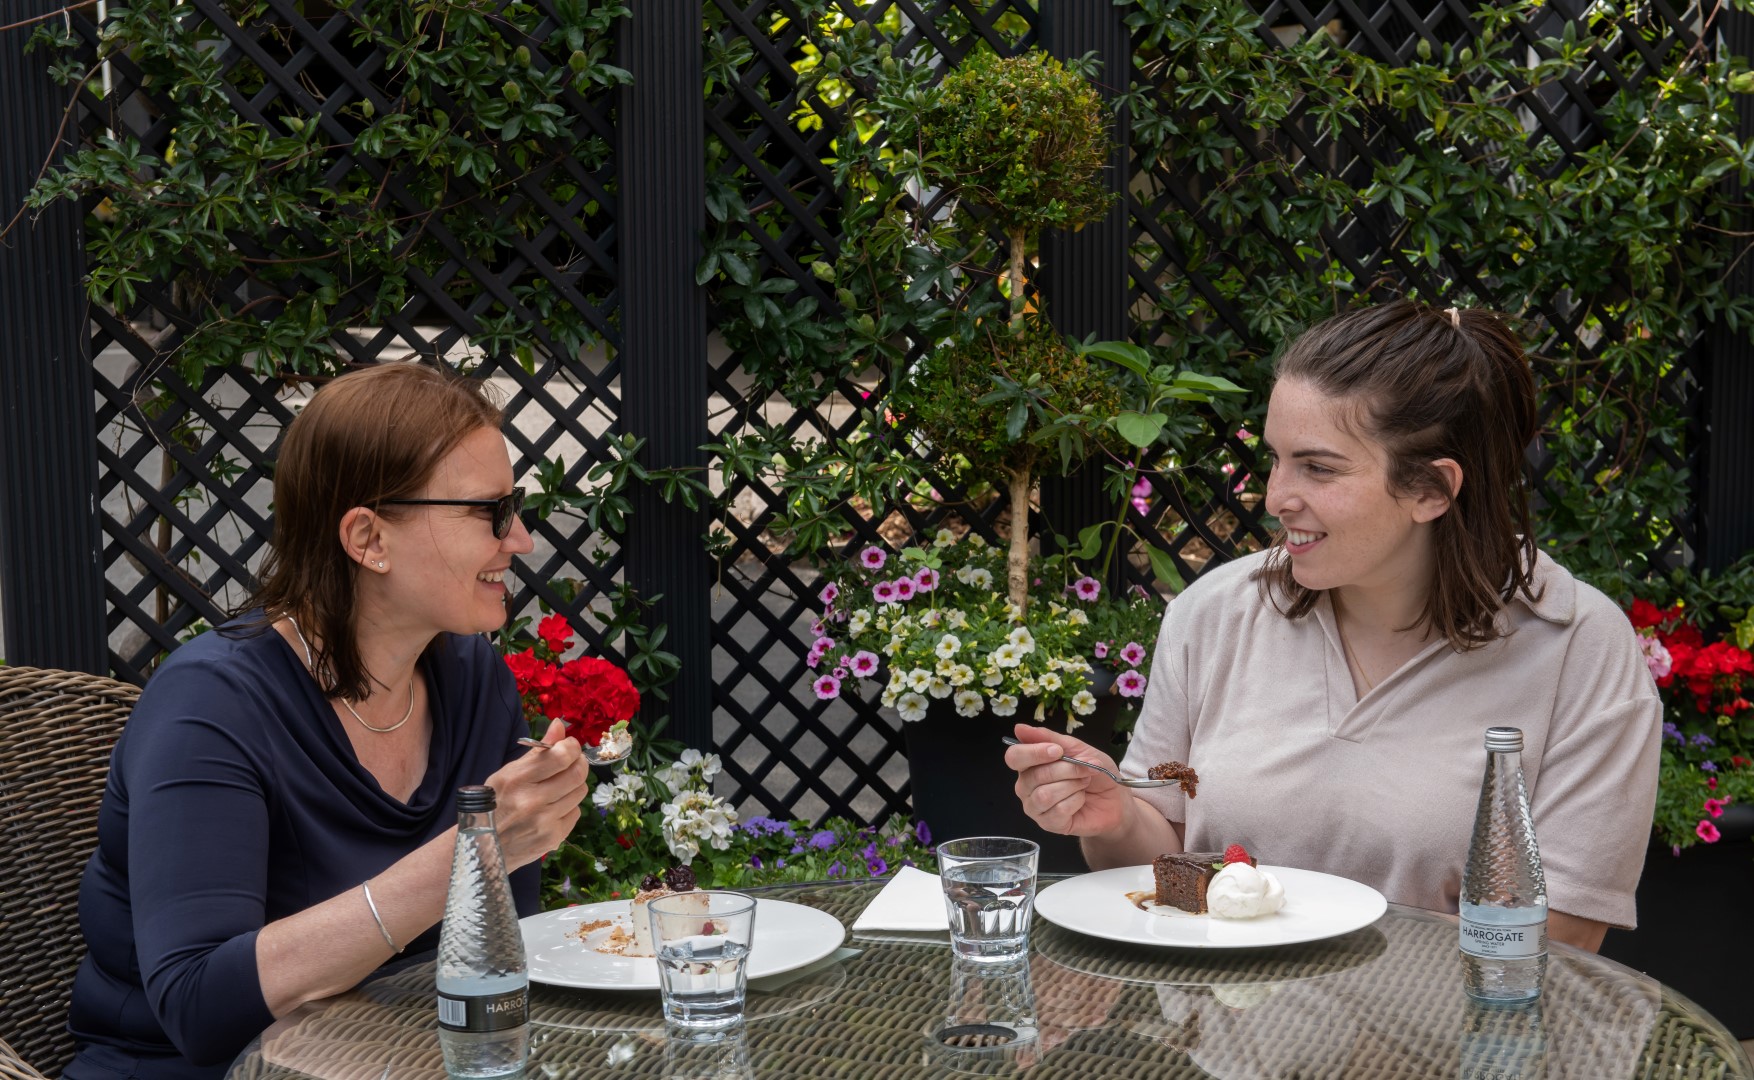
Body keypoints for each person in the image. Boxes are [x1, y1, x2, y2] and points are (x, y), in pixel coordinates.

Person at [1006, 300, 1661, 952]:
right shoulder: (1216, 613)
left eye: (1318, 467)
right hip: (1225, 1044)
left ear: (1431, 489)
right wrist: (1116, 815)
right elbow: (1168, 853)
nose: (1275, 496)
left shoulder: (1580, 652)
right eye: (1277, 458)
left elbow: (1561, 949)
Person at [65, 365, 592, 1079]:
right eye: (488, 512)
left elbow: (499, 967)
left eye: (515, 507)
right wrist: (468, 856)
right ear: (368, 538)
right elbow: (196, 1006)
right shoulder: (212, 704)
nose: (521, 540)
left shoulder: (474, 684)